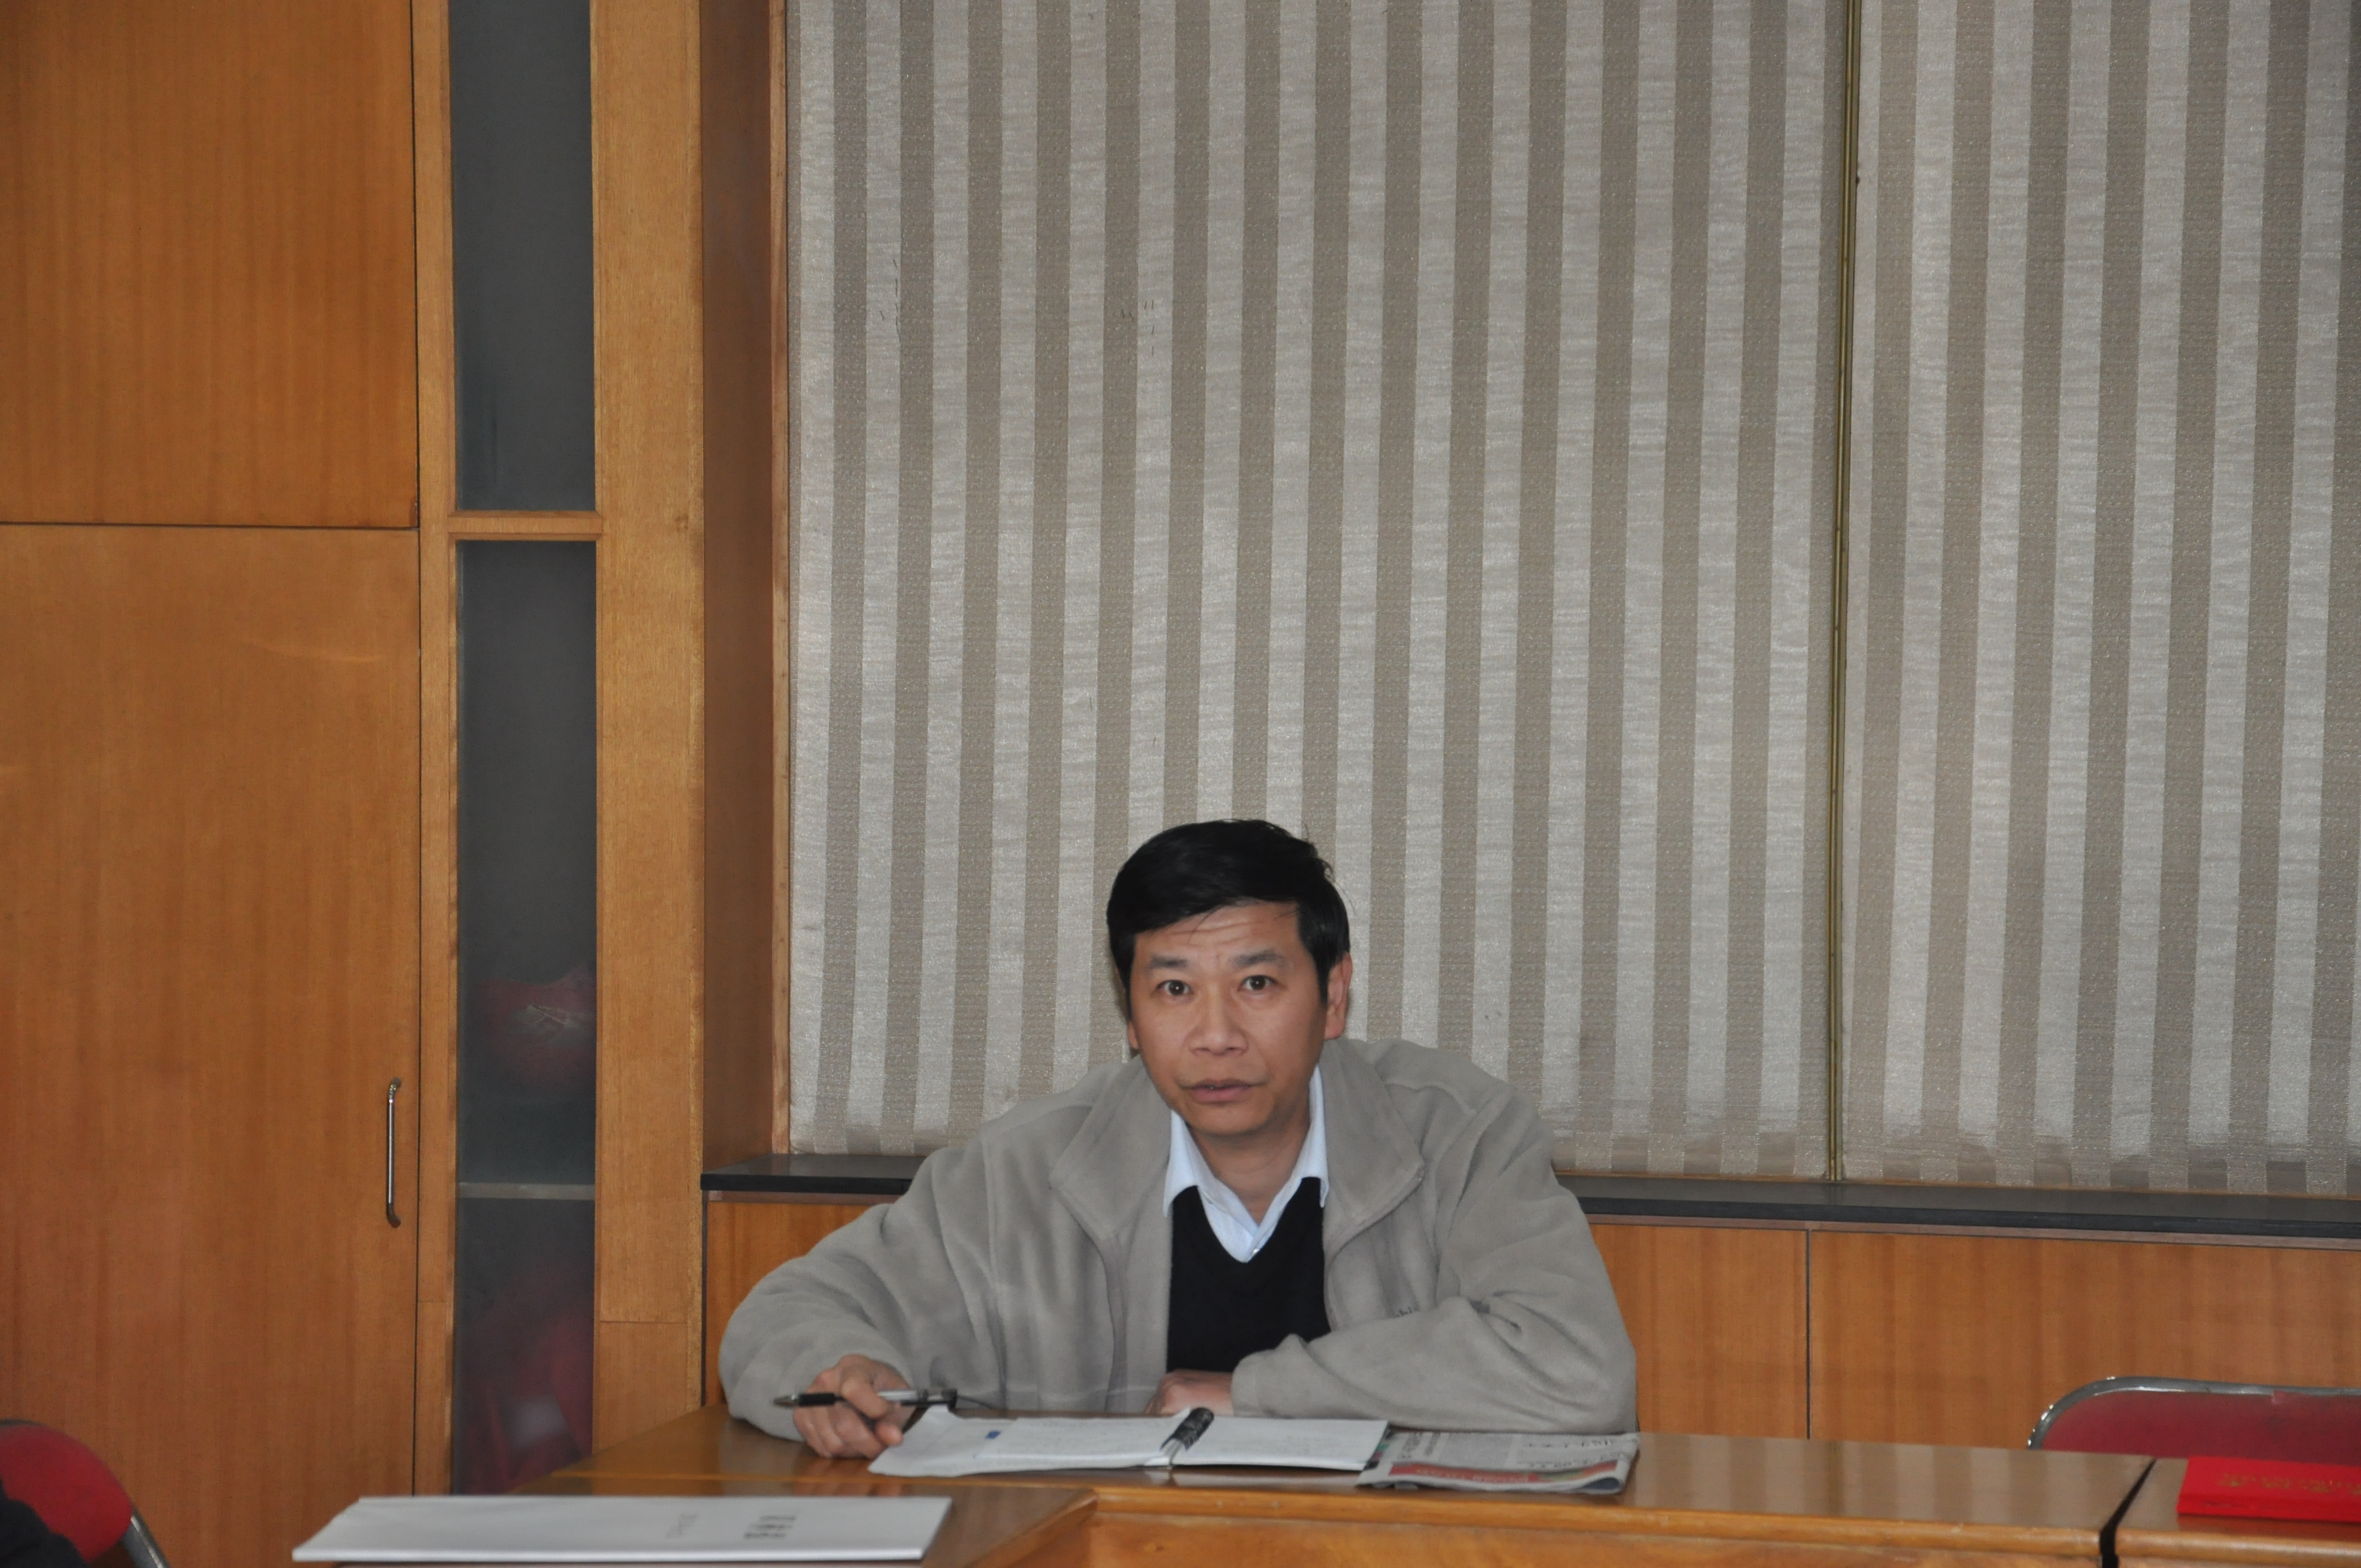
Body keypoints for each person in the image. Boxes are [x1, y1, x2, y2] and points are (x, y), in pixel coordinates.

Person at [720, 820, 1636, 1457]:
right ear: (1130, 1018)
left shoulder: (1458, 1134)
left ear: (1334, 995)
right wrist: (840, 1376)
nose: (1215, 1035)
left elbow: (1579, 1370)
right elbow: (786, 1313)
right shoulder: (1030, 1168)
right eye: (1173, 990)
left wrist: (1256, 1394)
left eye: (1257, 984)